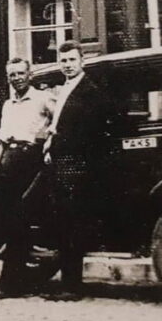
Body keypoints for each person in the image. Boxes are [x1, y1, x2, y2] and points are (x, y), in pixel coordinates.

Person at [0, 57, 54, 298]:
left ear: (30, 75)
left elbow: (59, 122)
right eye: (12, 75)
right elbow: (2, 139)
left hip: (30, 159)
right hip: (7, 159)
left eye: (20, 73)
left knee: (18, 216)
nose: (16, 78)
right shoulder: (8, 105)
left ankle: (10, 285)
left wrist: (47, 143)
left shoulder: (42, 98)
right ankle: (18, 246)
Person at [43, 40, 112, 301]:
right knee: (63, 224)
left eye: (72, 60)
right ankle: (67, 283)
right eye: (64, 61)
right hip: (62, 163)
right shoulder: (66, 89)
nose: (68, 65)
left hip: (76, 165)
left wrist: (57, 144)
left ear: (81, 61)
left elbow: (87, 132)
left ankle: (72, 286)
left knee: (72, 225)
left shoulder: (89, 91)